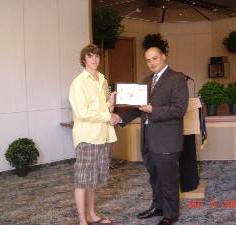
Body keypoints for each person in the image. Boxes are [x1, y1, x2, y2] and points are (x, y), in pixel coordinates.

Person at [112, 47, 189, 225]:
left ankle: (171, 214)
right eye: (148, 60)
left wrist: (153, 110)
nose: (152, 63)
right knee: (154, 176)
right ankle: (158, 206)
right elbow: (137, 108)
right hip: (148, 139)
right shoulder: (146, 81)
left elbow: (179, 109)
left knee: (168, 178)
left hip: (167, 140)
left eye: (155, 58)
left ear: (163, 56)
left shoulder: (177, 78)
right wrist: (120, 117)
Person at [69, 44, 118, 225]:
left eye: (97, 56)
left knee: (92, 180)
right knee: (82, 181)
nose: (94, 59)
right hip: (87, 138)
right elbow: (82, 113)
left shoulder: (102, 79)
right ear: (84, 59)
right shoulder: (78, 83)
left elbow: (103, 108)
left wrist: (110, 103)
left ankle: (92, 215)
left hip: (102, 136)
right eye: (90, 56)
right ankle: (83, 221)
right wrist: (107, 115)